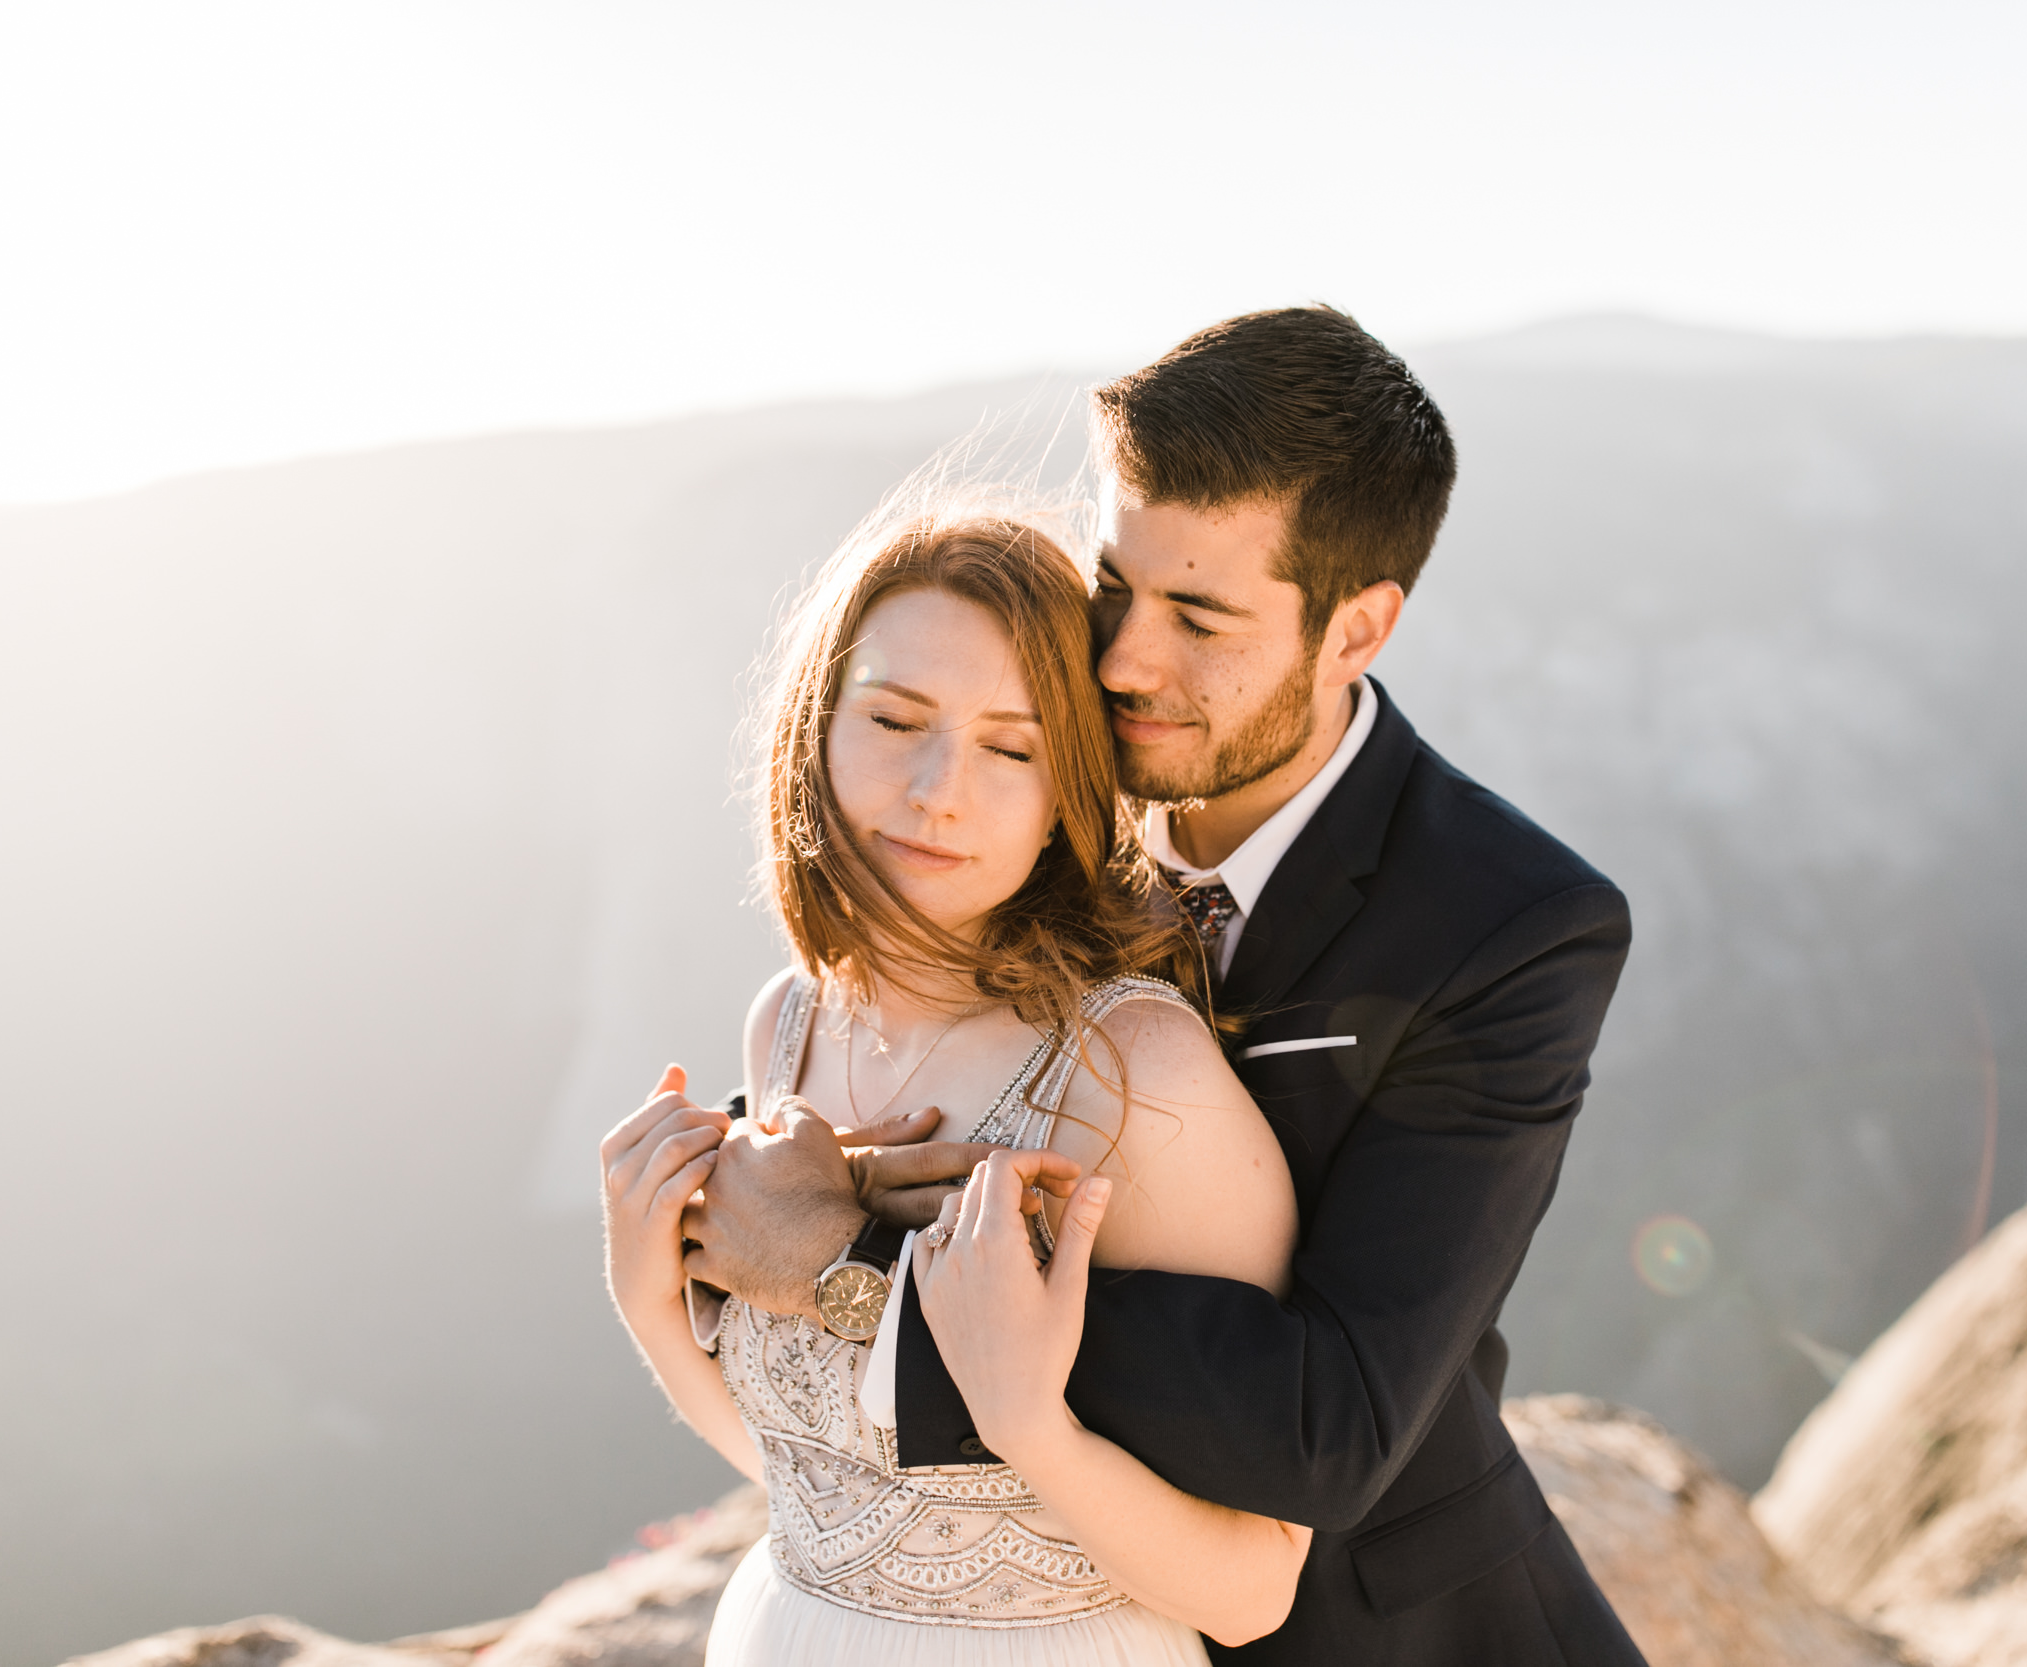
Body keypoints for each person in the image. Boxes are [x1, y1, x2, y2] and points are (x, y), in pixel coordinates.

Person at [675, 307, 1644, 1663]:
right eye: (1115, 584)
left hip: (1378, 1630)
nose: (1124, 659)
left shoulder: (1510, 925)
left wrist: (853, 1264)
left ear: (1357, 627)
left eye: (1200, 617)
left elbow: (1330, 1421)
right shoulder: (1033, 790)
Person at [601, 503, 1317, 1664]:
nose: (939, 788)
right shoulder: (786, 1024)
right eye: (895, 718)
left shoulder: (1140, 1076)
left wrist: (1027, 1421)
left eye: (1011, 746)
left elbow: (1252, 1584)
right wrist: (646, 1283)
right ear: (816, 728)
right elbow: (817, 1474)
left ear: (1067, 797)